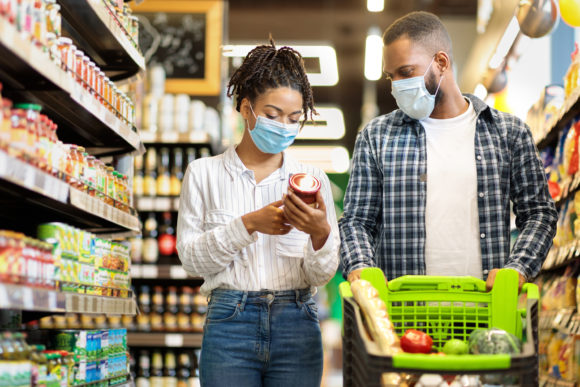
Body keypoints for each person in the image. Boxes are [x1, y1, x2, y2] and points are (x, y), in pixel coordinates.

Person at [339, 11, 558, 290]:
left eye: (406, 72)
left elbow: (539, 212)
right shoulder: (377, 137)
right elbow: (357, 221)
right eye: (391, 76)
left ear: (440, 62)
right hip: (404, 313)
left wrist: (518, 268)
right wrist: (360, 265)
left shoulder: (508, 133)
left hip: (484, 311)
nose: (397, 86)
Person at [176, 39, 339, 387]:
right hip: (229, 324)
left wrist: (319, 233)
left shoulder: (313, 181)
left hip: (297, 322)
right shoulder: (203, 174)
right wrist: (249, 225)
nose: (284, 126)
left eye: (294, 119)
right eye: (272, 115)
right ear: (246, 108)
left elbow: (321, 275)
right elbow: (191, 261)